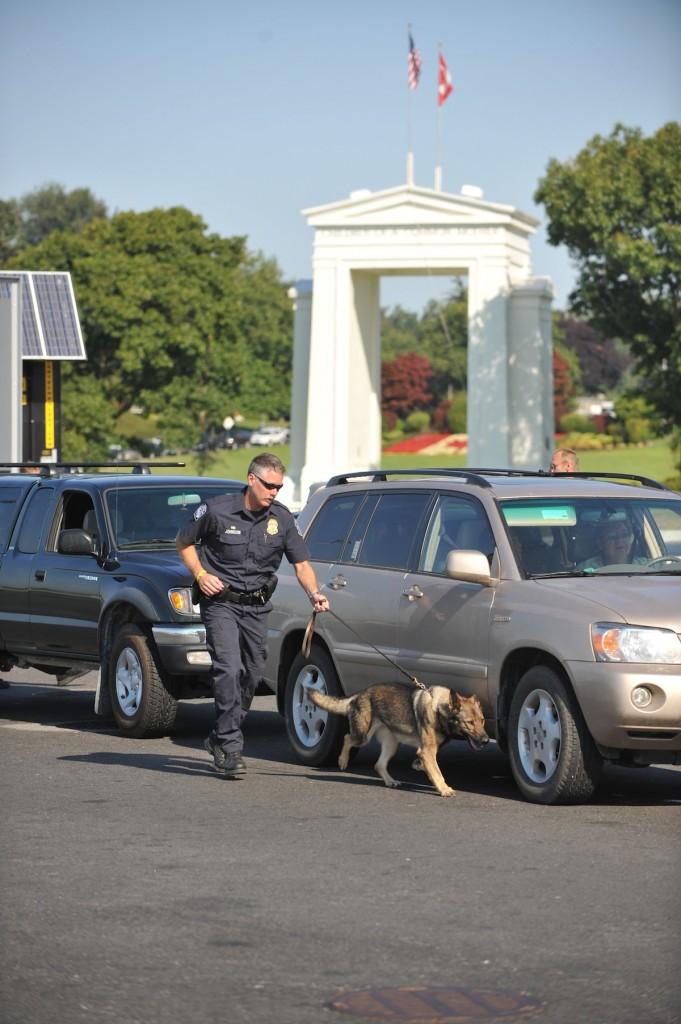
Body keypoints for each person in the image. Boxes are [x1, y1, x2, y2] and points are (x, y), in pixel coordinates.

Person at [176, 453, 329, 778]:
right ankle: (230, 748)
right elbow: (184, 542)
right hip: (221, 604)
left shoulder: (282, 519)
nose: (274, 492)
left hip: (257, 605)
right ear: (251, 480)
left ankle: (219, 734)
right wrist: (202, 575)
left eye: (279, 486)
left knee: (252, 672)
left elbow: (301, 564)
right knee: (229, 669)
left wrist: (314, 593)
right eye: (269, 485)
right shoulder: (218, 510)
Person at [578, 517, 648, 571]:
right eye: (612, 537)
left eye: (624, 535)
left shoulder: (646, 566)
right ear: (600, 544)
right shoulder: (586, 568)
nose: (620, 542)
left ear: (631, 539)